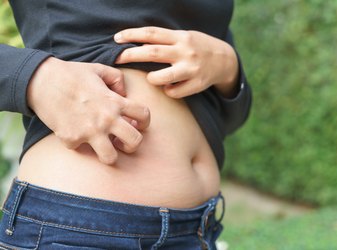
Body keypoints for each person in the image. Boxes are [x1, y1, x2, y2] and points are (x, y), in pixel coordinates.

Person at [0, 1, 251, 249]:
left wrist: (228, 68)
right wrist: (35, 77)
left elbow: (229, 119)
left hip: (200, 228)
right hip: (83, 228)